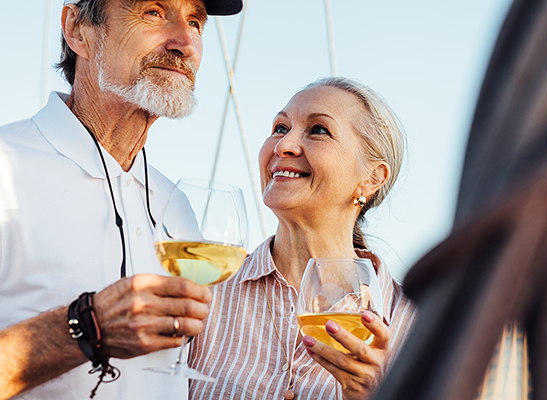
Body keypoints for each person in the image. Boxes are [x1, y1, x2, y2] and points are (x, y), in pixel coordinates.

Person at [0, 0, 242, 399]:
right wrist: (86, 327)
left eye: (196, 21)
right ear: (78, 29)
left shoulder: (176, 205)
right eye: (153, 12)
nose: (186, 42)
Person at [188, 77, 417, 400]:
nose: (283, 146)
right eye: (280, 128)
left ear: (371, 178)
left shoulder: (417, 327)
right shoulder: (203, 293)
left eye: (318, 130)